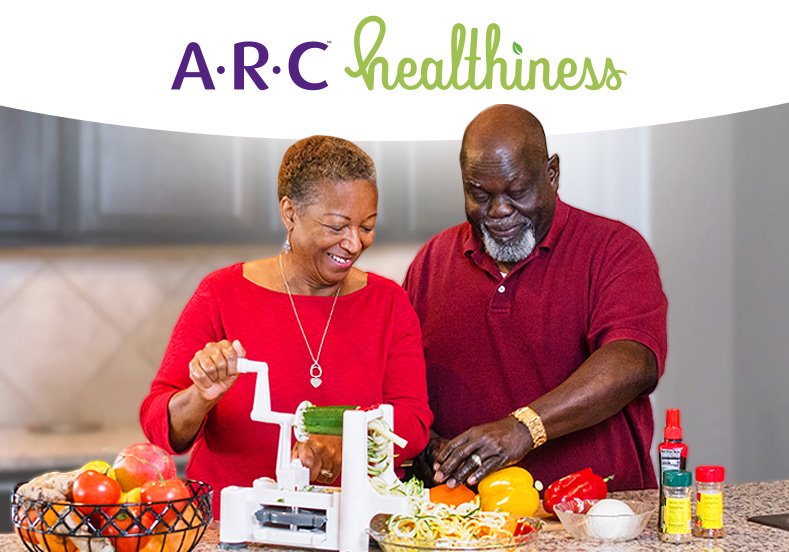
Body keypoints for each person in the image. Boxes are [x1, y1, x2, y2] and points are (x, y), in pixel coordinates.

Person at [141, 136, 433, 517]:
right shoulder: (221, 294)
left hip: (354, 528)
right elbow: (161, 426)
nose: (353, 243)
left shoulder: (389, 303)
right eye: (336, 226)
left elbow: (412, 422)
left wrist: (344, 446)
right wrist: (202, 397)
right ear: (290, 213)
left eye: (367, 226)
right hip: (231, 532)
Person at [405, 105, 667, 493]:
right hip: (465, 524)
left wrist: (524, 428)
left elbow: (633, 360)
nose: (499, 211)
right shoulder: (432, 259)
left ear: (552, 174)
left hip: (595, 517)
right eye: (479, 194)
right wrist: (422, 441)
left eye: (517, 191)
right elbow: (396, 377)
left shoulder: (614, 248)